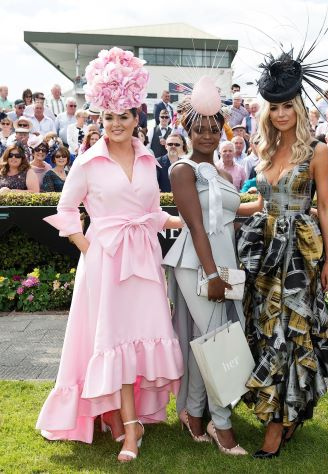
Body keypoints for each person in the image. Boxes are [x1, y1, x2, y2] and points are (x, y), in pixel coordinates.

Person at [36, 47, 184, 463]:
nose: (116, 124)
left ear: (137, 118)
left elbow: (151, 212)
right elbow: (66, 211)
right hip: (105, 261)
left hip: (144, 260)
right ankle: (129, 426)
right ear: (99, 118)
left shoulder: (147, 157)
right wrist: (89, 246)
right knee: (115, 339)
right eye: (109, 117)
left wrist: (182, 221)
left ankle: (122, 417)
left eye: (124, 116)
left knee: (139, 336)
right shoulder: (86, 161)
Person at [236, 50, 328, 458]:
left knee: (290, 330)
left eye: (286, 107)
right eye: (274, 107)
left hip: (298, 254)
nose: (280, 114)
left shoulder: (317, 151)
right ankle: (285, 410)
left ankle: (277, 425)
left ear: (298, 107)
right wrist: (217, 206)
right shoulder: (264, 150)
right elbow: (258, 204)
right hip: (264, 252)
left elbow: (326, 207)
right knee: (264, 326)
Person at [163, 75, 248, 456]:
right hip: (195, 262)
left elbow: (229, 214)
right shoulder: (182, 170)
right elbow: (197, 225)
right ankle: (222, 424)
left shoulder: (226, 174)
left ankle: (193, 413)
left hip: (224, 262)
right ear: (188, 131)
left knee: (211, 339)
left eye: (214, 128)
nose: (209, 135)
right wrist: (211, 274)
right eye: (200, 129)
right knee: (217, 339)